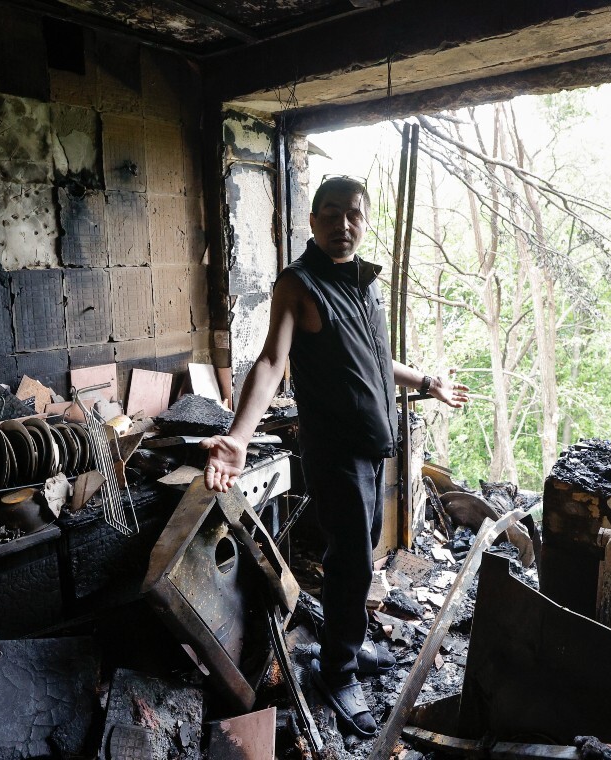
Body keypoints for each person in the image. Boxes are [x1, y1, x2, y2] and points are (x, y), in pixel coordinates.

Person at [199, 175, 470, 738]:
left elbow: (376, 360)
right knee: (350, 560)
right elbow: (273, 361)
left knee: (361, 555)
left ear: (365, 221)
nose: (342, 225)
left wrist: (426, 381)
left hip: (373, 450)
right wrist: (240, 435)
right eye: (329, 214)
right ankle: (337, 671)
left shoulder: (363, 284)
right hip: (337, 452)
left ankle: (344, 643)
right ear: (313, 221)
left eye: (353, 215)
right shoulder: (299, 284)